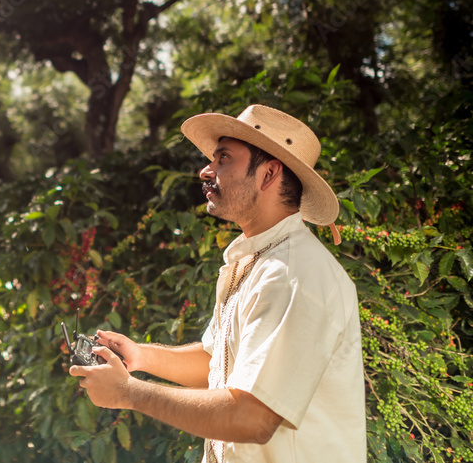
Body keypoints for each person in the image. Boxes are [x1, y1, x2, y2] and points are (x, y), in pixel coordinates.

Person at [69, 104, 365, 462]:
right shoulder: (258, 260)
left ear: (269, 174)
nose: (205, 171)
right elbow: (219, 362)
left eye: (223, 159)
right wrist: (140, 356)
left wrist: (129, 393)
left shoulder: (291, 275)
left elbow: (252, 418)